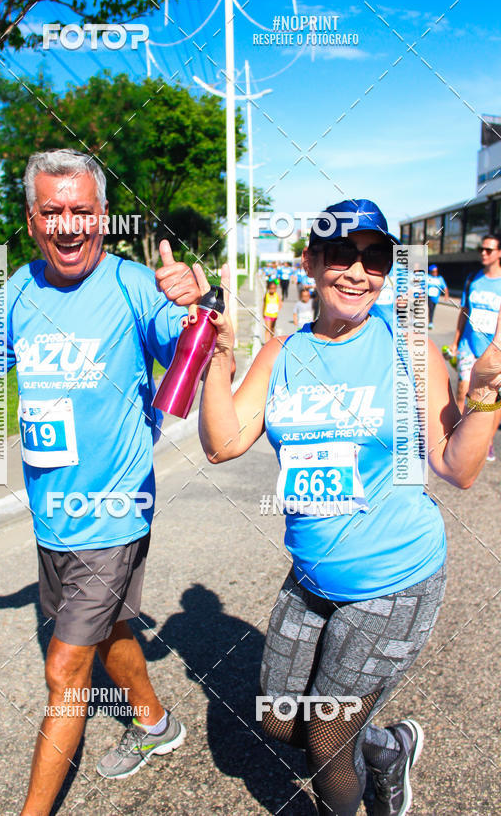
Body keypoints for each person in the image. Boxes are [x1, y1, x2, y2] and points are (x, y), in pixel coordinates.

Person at [0, 150, 205, 816]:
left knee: (65, 669)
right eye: (51, 212)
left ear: (102, 216)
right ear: (33, 220)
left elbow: (185, 354)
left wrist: (191, 306)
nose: (68, 226)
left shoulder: (133, 286)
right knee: (114, 629)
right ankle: (156, 724)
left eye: (81, 211)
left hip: (112, 513)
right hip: (53, 517)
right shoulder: (18, 289)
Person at [196, 199, 501, 816]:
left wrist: (488, 398)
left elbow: (457, 468)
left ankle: (363, 787)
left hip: (395, 577)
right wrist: (218, 356)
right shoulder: (283, 353)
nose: (358, 272)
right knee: (282, 721)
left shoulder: (409, 347)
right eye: (341, 254)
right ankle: (389, 747)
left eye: (375, 258)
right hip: (310, 573)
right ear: (311, 262)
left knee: (326, 740)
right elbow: (224, 442)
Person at [448, 232, 501, 460]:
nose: (483, 253)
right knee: (463, 390)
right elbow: (464, 313)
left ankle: (487, 441)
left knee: (493, 399)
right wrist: (456, 340)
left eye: (489, 250)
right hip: (469, 344)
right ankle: (459, 437)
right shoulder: (472, 279)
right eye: (482, 249)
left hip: (494, 350)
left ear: (499, 253)